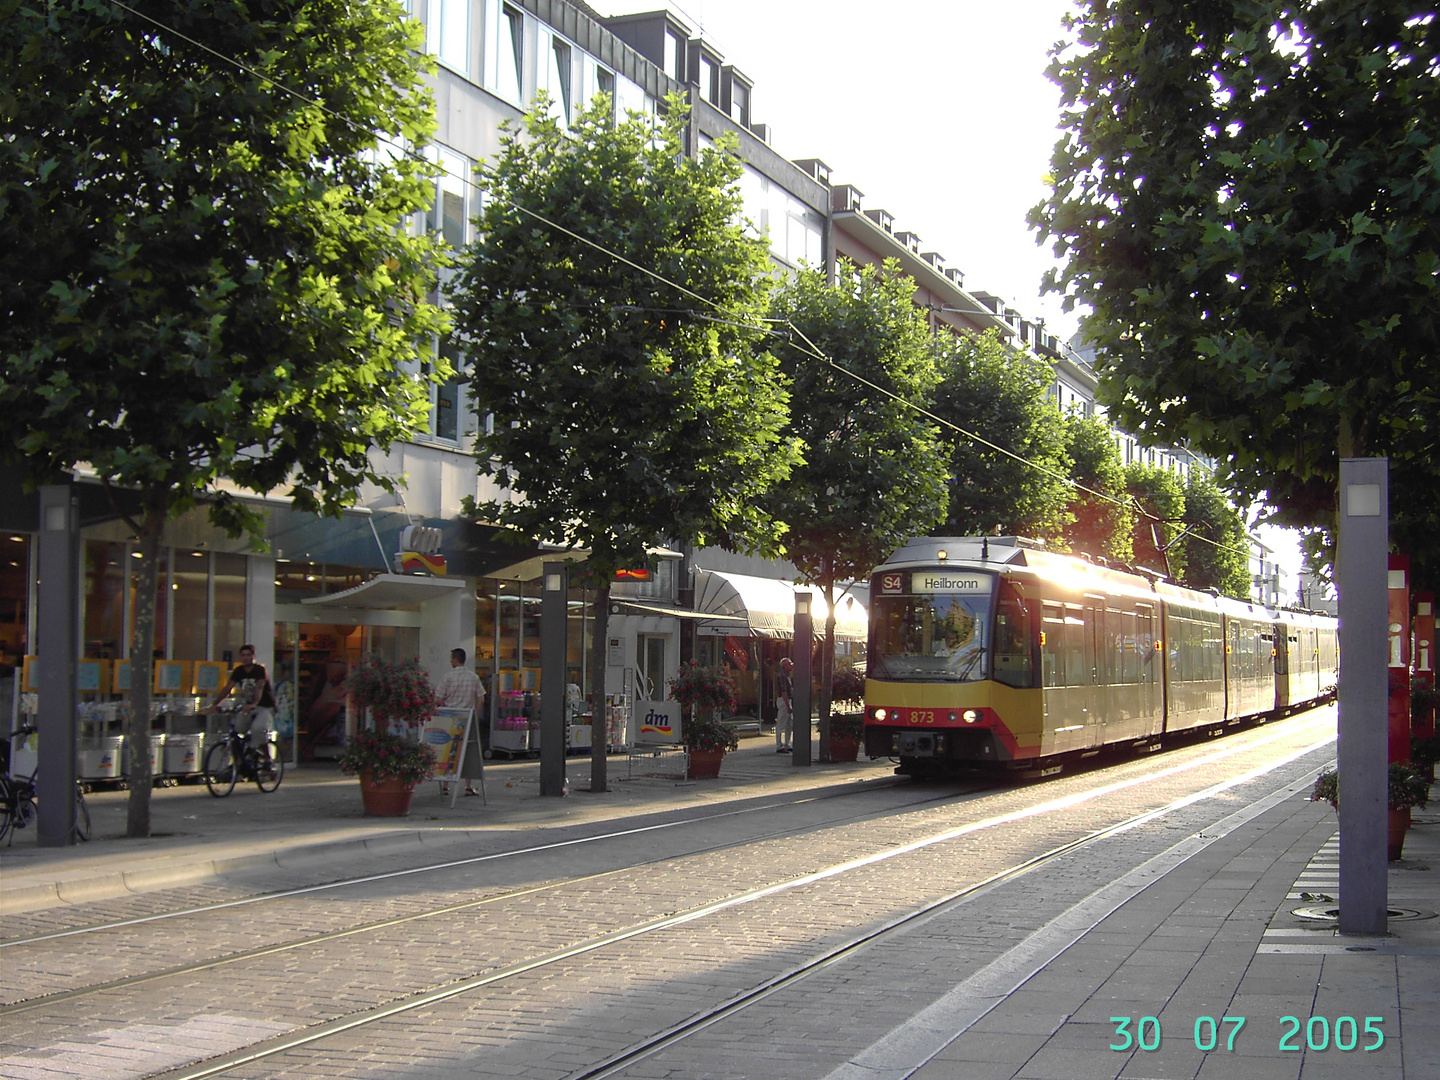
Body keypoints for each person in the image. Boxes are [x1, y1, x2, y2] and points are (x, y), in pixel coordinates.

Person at [209, 644, 277, 763]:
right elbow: (227, 688)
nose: (245, 658)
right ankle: (239, 762)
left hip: (264, 706)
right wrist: (215, 705)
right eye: (243, 655)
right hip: (247, 707)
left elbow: (259, 687)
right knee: (236, 731)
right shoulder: (239, 671)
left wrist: (254, 703)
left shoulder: (260, 670)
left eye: (248, 655)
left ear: (253, 656)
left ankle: (267, 758)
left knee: (258, 729)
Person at [437, 648, 484, 796]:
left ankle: (445, 785)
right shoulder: (473, 677)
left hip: (450, 718)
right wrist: (475, 714)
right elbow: (481, 698)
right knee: (468, 752)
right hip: (467, 718)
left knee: (449, 751)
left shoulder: (448, 677)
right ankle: (468, 786)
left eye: (451, 659)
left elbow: (438, 698)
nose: (451, 661)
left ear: (455, 660)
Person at [775, 656, 794, 753]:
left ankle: (787, 743)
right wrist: (787, 705)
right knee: (782, 722)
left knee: (789, 723)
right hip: (784, 700)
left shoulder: (786, 675)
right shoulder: (782, 676)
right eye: (790, 664)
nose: (791, 666)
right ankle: (779, 745)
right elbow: (783, 691)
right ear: (785, 665)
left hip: (787, 700)